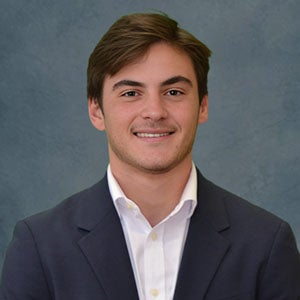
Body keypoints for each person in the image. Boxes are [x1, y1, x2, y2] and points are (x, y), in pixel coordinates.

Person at [1, 12, 299, 300]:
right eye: (130, 93)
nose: (155, 111)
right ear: (96, 111)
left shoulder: (266, 243)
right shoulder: (39, 246)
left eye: (174, 92)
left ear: (203, 106)